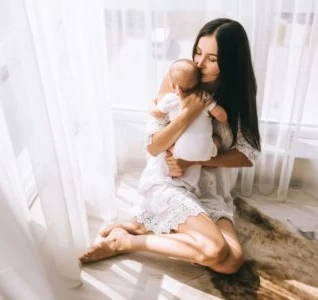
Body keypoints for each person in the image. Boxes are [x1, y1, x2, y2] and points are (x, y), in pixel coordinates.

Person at [80, 18, 261, 275]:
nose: (199, 63)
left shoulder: (238, 93)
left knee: (231, 262)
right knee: (213, 251)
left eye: (212, 58)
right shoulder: (179, 77)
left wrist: (196, 160)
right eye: (198, 52)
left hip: (209, 189)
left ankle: (143, 229)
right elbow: (154, 147)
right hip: (169, 182)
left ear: (231, 62)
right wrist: (189, 112)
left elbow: (247, 154)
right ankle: (127, 242)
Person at [144, 58, 227, 193]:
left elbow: (156, 113)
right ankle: (213, 146)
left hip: (180, 153)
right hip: (206, 154)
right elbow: (221, 116)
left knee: (168, 146)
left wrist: (152, 102)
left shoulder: (170, 99)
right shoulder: (204, 97)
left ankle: (174, 170)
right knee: (217, 139)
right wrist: (222, 118)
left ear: (173, 86)